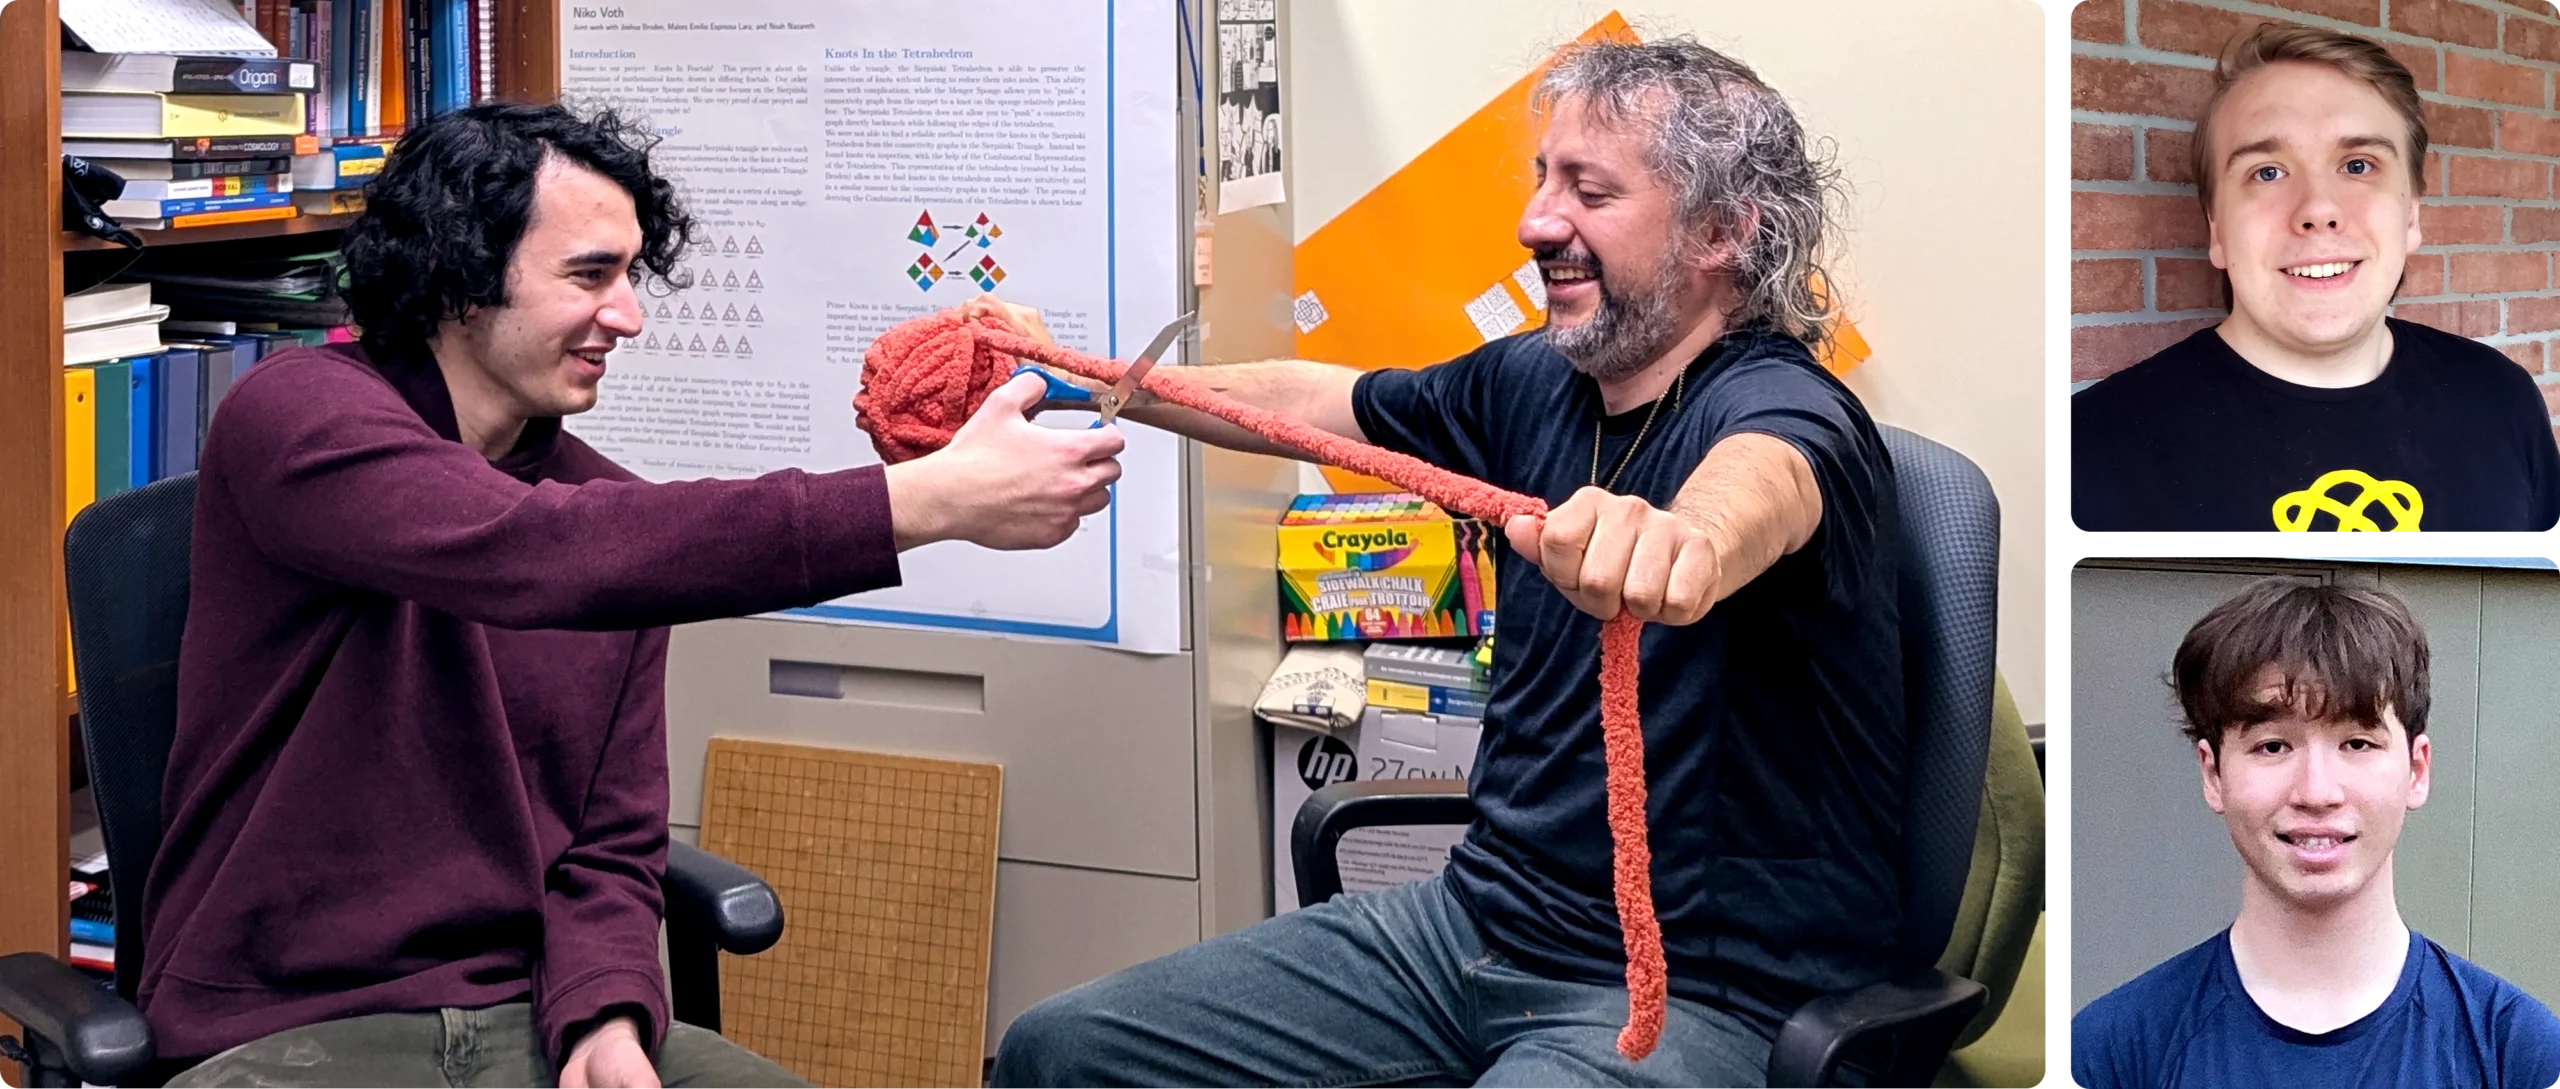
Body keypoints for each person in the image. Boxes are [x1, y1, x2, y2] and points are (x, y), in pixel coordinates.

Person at [979, 34, 1902, 1088]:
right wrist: (1074, 377)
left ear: (1721, 231)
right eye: (1541, 179)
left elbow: (1764, 485)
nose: (1536, 221)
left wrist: (1681, 542)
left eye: (1589, 191)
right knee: (1062, 1055)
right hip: (1475, 927)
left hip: (1701, 994)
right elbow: (1315, 405)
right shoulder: (1532, 383)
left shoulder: (1784, 407)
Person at [142, 101, 1124, 1089]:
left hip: (530, 1019)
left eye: (629, 273)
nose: (629, 314)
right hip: (285, 1029)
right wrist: (922, 500)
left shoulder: (612, 521)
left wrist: (605, 1013)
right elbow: (525, 555)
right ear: (459, 273)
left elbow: (612, 840)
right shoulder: (295, 417)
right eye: (588, 275)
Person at [2069, 22, 2560, 534]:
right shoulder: (2089, 448)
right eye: (2267, 172)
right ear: (2217, 230)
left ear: (2411, 216)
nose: (2318, 210)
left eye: (2357, 165)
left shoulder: (2503, 398)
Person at [2068, 578, 2560, 1087]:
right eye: (2274, 746)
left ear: (2416, 770)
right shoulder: (2116, 1051)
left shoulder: (2517, 1053)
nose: (2317, 792)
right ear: (2213, 775)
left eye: (2357, 743)